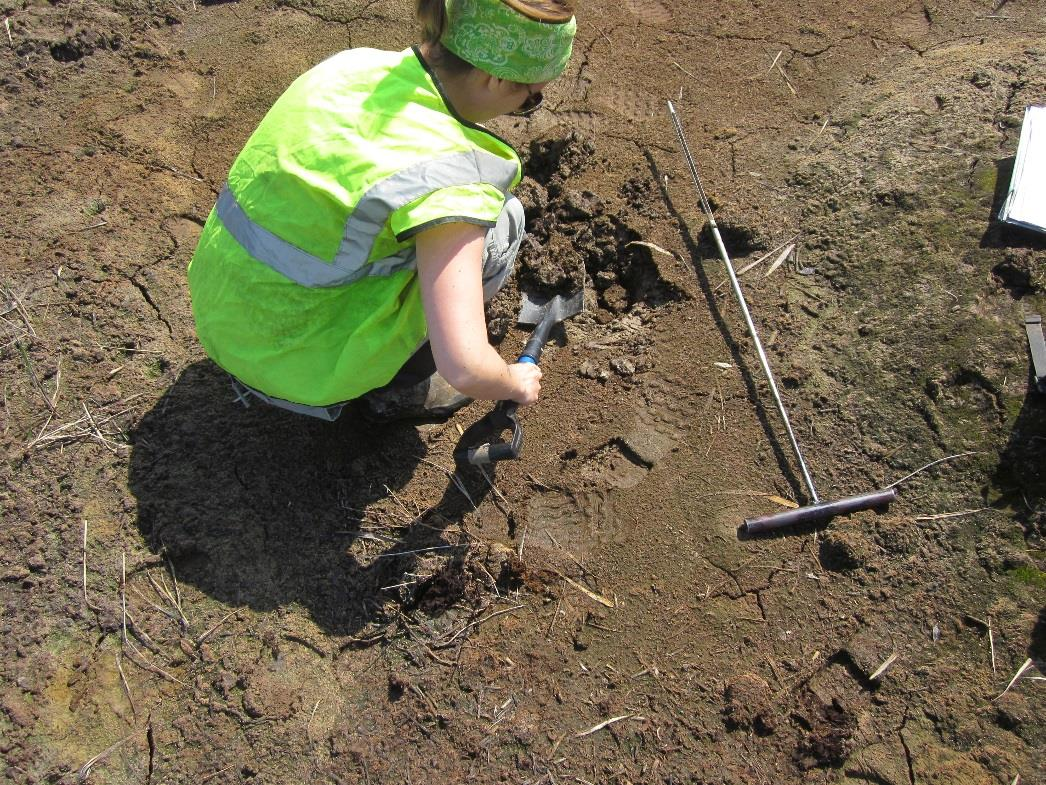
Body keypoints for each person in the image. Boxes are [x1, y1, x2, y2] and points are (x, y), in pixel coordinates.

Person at [187, 0, 577, 422]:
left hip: (220, 323)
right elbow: (464, 366)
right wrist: (511, 380)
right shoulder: (459, 177)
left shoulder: (351, 68)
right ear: (495, 77)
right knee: (505, 221)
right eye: (530, 99)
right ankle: (398, 383)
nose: (524, 109)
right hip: (302, 377)